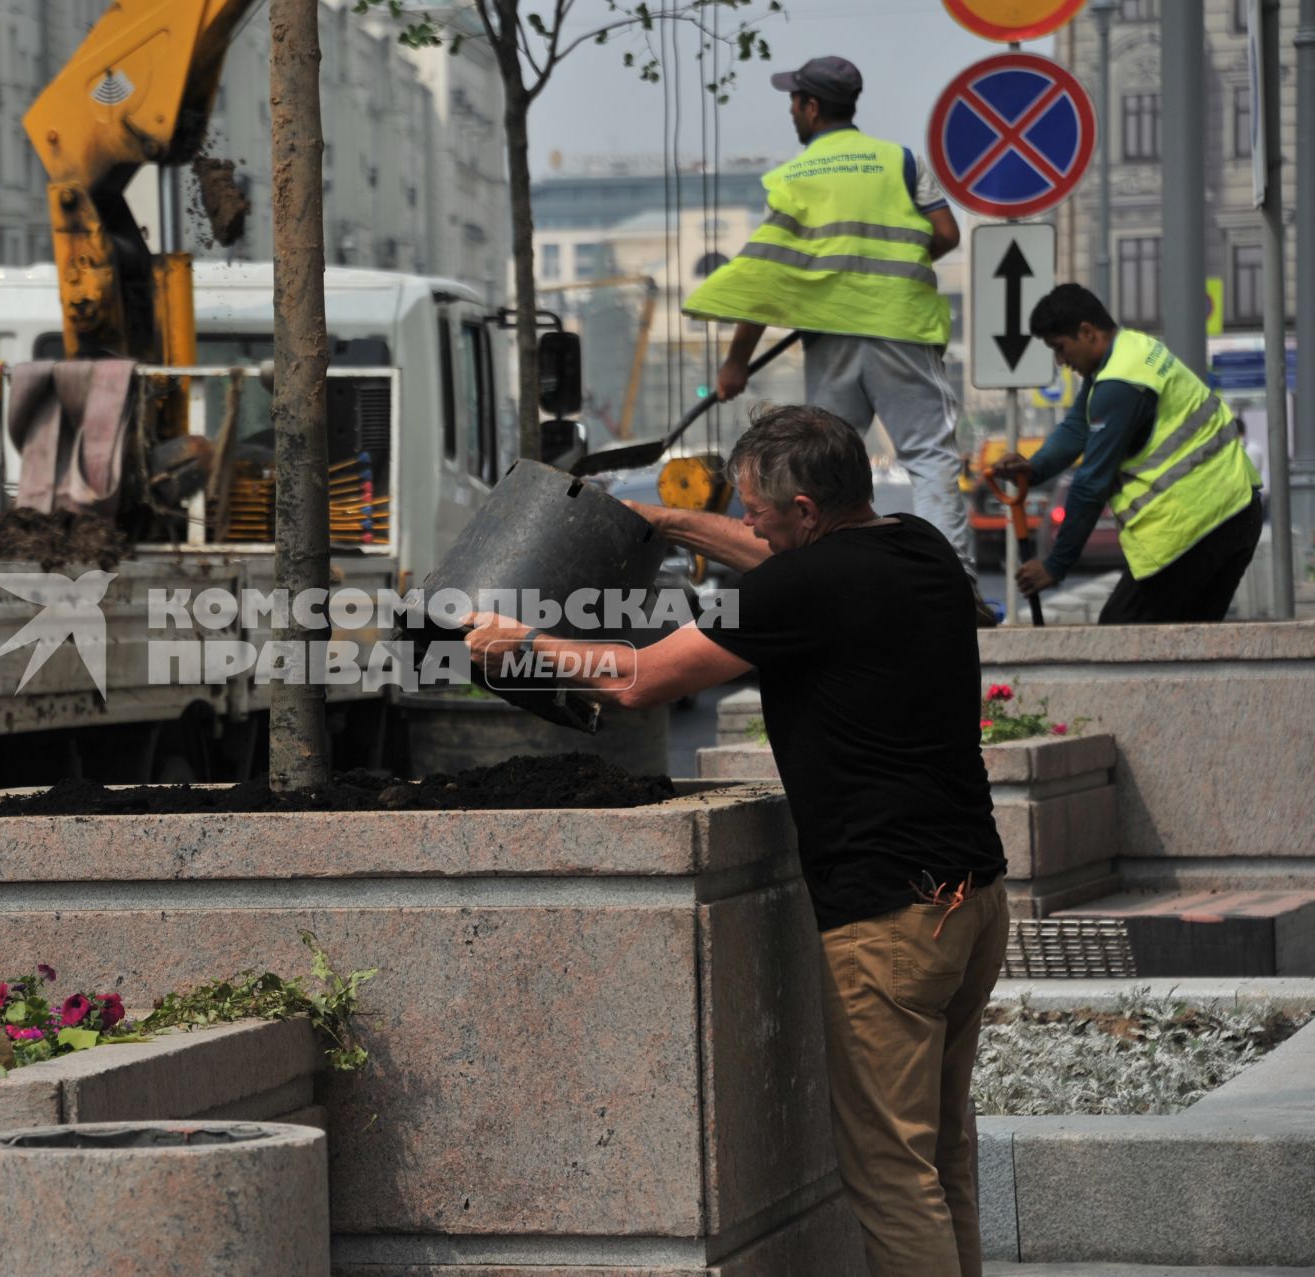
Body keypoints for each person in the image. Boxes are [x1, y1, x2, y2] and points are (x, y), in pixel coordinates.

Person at [464, 405, 1008, 1277]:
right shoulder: (915, 546)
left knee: (892, 1175)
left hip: (890, 918)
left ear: (804, 512)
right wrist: (669, 518)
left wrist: (520, 642)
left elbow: (639, 679)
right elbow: (779, 566)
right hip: (973, 898)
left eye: (753, 508)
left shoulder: (799, 588)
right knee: (942, 1153)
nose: (743, 523)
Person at [681, 55, 978, 579]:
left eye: (794, 101)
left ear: (812, 107)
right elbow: (948, 235)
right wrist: (890, 268)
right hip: (901, 329)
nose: (792, 111)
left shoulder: (794, 178)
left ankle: (827, 578)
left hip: (832, 338)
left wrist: (735, 364)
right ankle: (950, 580)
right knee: (929, 456)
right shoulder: (902, 161)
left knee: (819, 468)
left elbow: (768, 275)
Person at [991, 284, 1263, 624]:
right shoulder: (1130, 352)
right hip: (1237, 512)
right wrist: (1033, 469)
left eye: (1060, 348)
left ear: (1087, 332)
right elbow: (1078, 426)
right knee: (1193, 648)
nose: (1061, 361)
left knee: (1118, 638)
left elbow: (1091, 483)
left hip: (1192, 530)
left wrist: (1055, 565)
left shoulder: (1119, 384)